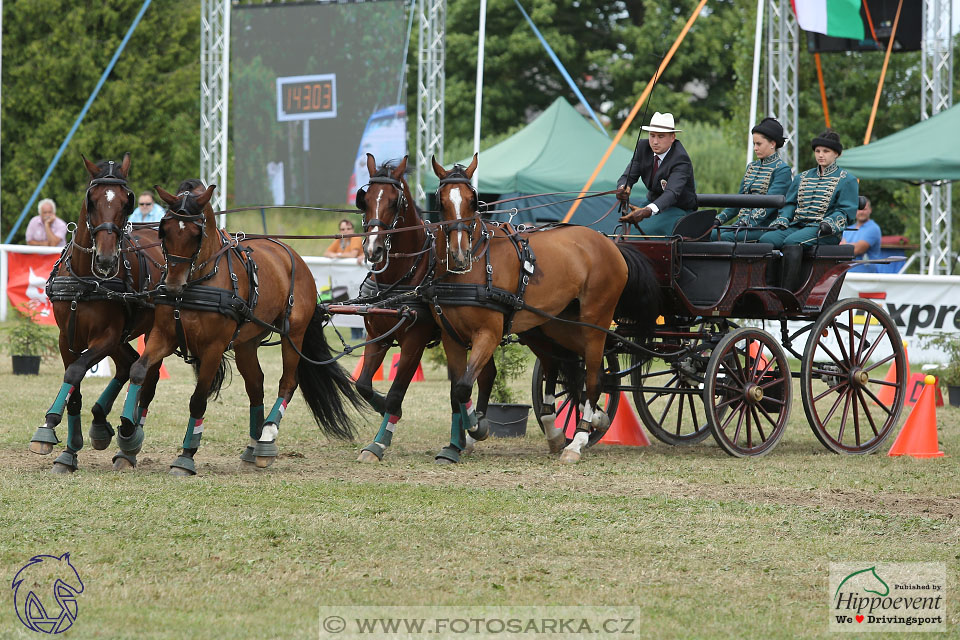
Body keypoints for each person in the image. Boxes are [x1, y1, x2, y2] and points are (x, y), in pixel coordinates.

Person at [758, 129, 858, 249]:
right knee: (766, 239)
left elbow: (845, 211)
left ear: (837, 154)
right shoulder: (801, 177)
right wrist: (783, 219)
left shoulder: (847, 179)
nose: (820, 155)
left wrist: (829, 223)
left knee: (792, 242)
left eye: (826, 151)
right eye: (817, 151)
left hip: (825, 231)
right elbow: (790, 203)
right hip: (797, 226)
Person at [617, 111, 697, 236]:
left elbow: (671, 193)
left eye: (660, 136)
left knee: (648, 232)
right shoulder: (642, 148)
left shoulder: (681, 159)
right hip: (651, 203)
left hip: (678, 208)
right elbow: (628, 176)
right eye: (652, 135)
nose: (654, 141)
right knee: (627, 232)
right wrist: (623, 188)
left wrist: (647, 211)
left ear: (672, 137)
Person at [714, 117, 793, 242]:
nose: (755, 148)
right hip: (741, 224)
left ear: (772, 144)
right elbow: (738, 201)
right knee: (708, 233)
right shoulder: (751, 167)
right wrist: (718, 219)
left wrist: (745, 222)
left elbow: (768, 206)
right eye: (754, 144)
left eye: (759, 144)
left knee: (725, 237)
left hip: (764, 227)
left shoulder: (782, 170)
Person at [841, 197, 882, 273]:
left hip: (866, 278)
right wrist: (847, 246)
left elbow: (857, 249)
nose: (861, 212)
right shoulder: (847, 229)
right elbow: (839, 248)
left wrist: (844, 245)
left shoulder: (873, 228)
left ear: (870, 210)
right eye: (859, 209)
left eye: (864, 209)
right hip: (846, 275)